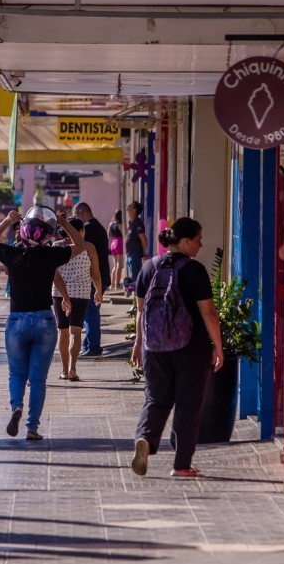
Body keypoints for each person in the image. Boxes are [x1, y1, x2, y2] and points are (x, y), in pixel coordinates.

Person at [130, 217, 224, 478]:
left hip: (154, 346)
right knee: (188, 405)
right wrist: (218, 346)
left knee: (156, 399)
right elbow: (208, 313)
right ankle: (181, 464)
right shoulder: (195, 270)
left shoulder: (148, 268)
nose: (200, 245)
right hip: (191, 348)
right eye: (198, 240)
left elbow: (141, 312)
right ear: (185, 241)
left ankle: (145, 439)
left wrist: (138, 343)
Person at [0, 207, 85, 441]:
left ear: (23, 231)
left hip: (17, 321)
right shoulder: (51, 255)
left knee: (16, 373)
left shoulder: (11, 253)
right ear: (47, 235)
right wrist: (63, 222)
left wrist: (7, 221)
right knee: (38, 379)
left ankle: (17, 406)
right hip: (44, 320)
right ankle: (32, 427)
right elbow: (80, 245)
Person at [51, 218, 103, 382]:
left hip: (59, 293)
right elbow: (95, 273)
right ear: (80, 231)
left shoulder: (56, 246)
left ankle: (64, 370)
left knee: (63, 331)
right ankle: (73, 369)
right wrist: (98, 290)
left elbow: (54, 274)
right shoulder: (88, 247)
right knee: (76, 331)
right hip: (81, 293)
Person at [72, 202, 110, 357]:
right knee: (90, 312)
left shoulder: (88, 228)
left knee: (90, 312)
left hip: (95, 277)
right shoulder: (98, 227)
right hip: (100, 276)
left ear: (81, 212)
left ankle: (93, 346)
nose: (75, 219)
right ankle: (89, 344)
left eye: (75, 215)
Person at [124, 201, 148, 286]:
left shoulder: (138, 223)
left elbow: (143, 240)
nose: (129, 206)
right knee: (133, 278)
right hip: (130, 255)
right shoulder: (132, 223)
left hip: (135, 255)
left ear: (134, 210)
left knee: (136, 279)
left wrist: (144, 254)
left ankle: (137, 294)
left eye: (131, 206)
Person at [109, 210, 125, 290]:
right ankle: (117, 284)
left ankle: (112, 284)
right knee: (120, 265)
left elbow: (109, 235)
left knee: (115, 265)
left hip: (113, 243)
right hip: (119, 242)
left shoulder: (111, 224)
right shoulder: (120, 224)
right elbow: (123, 234)